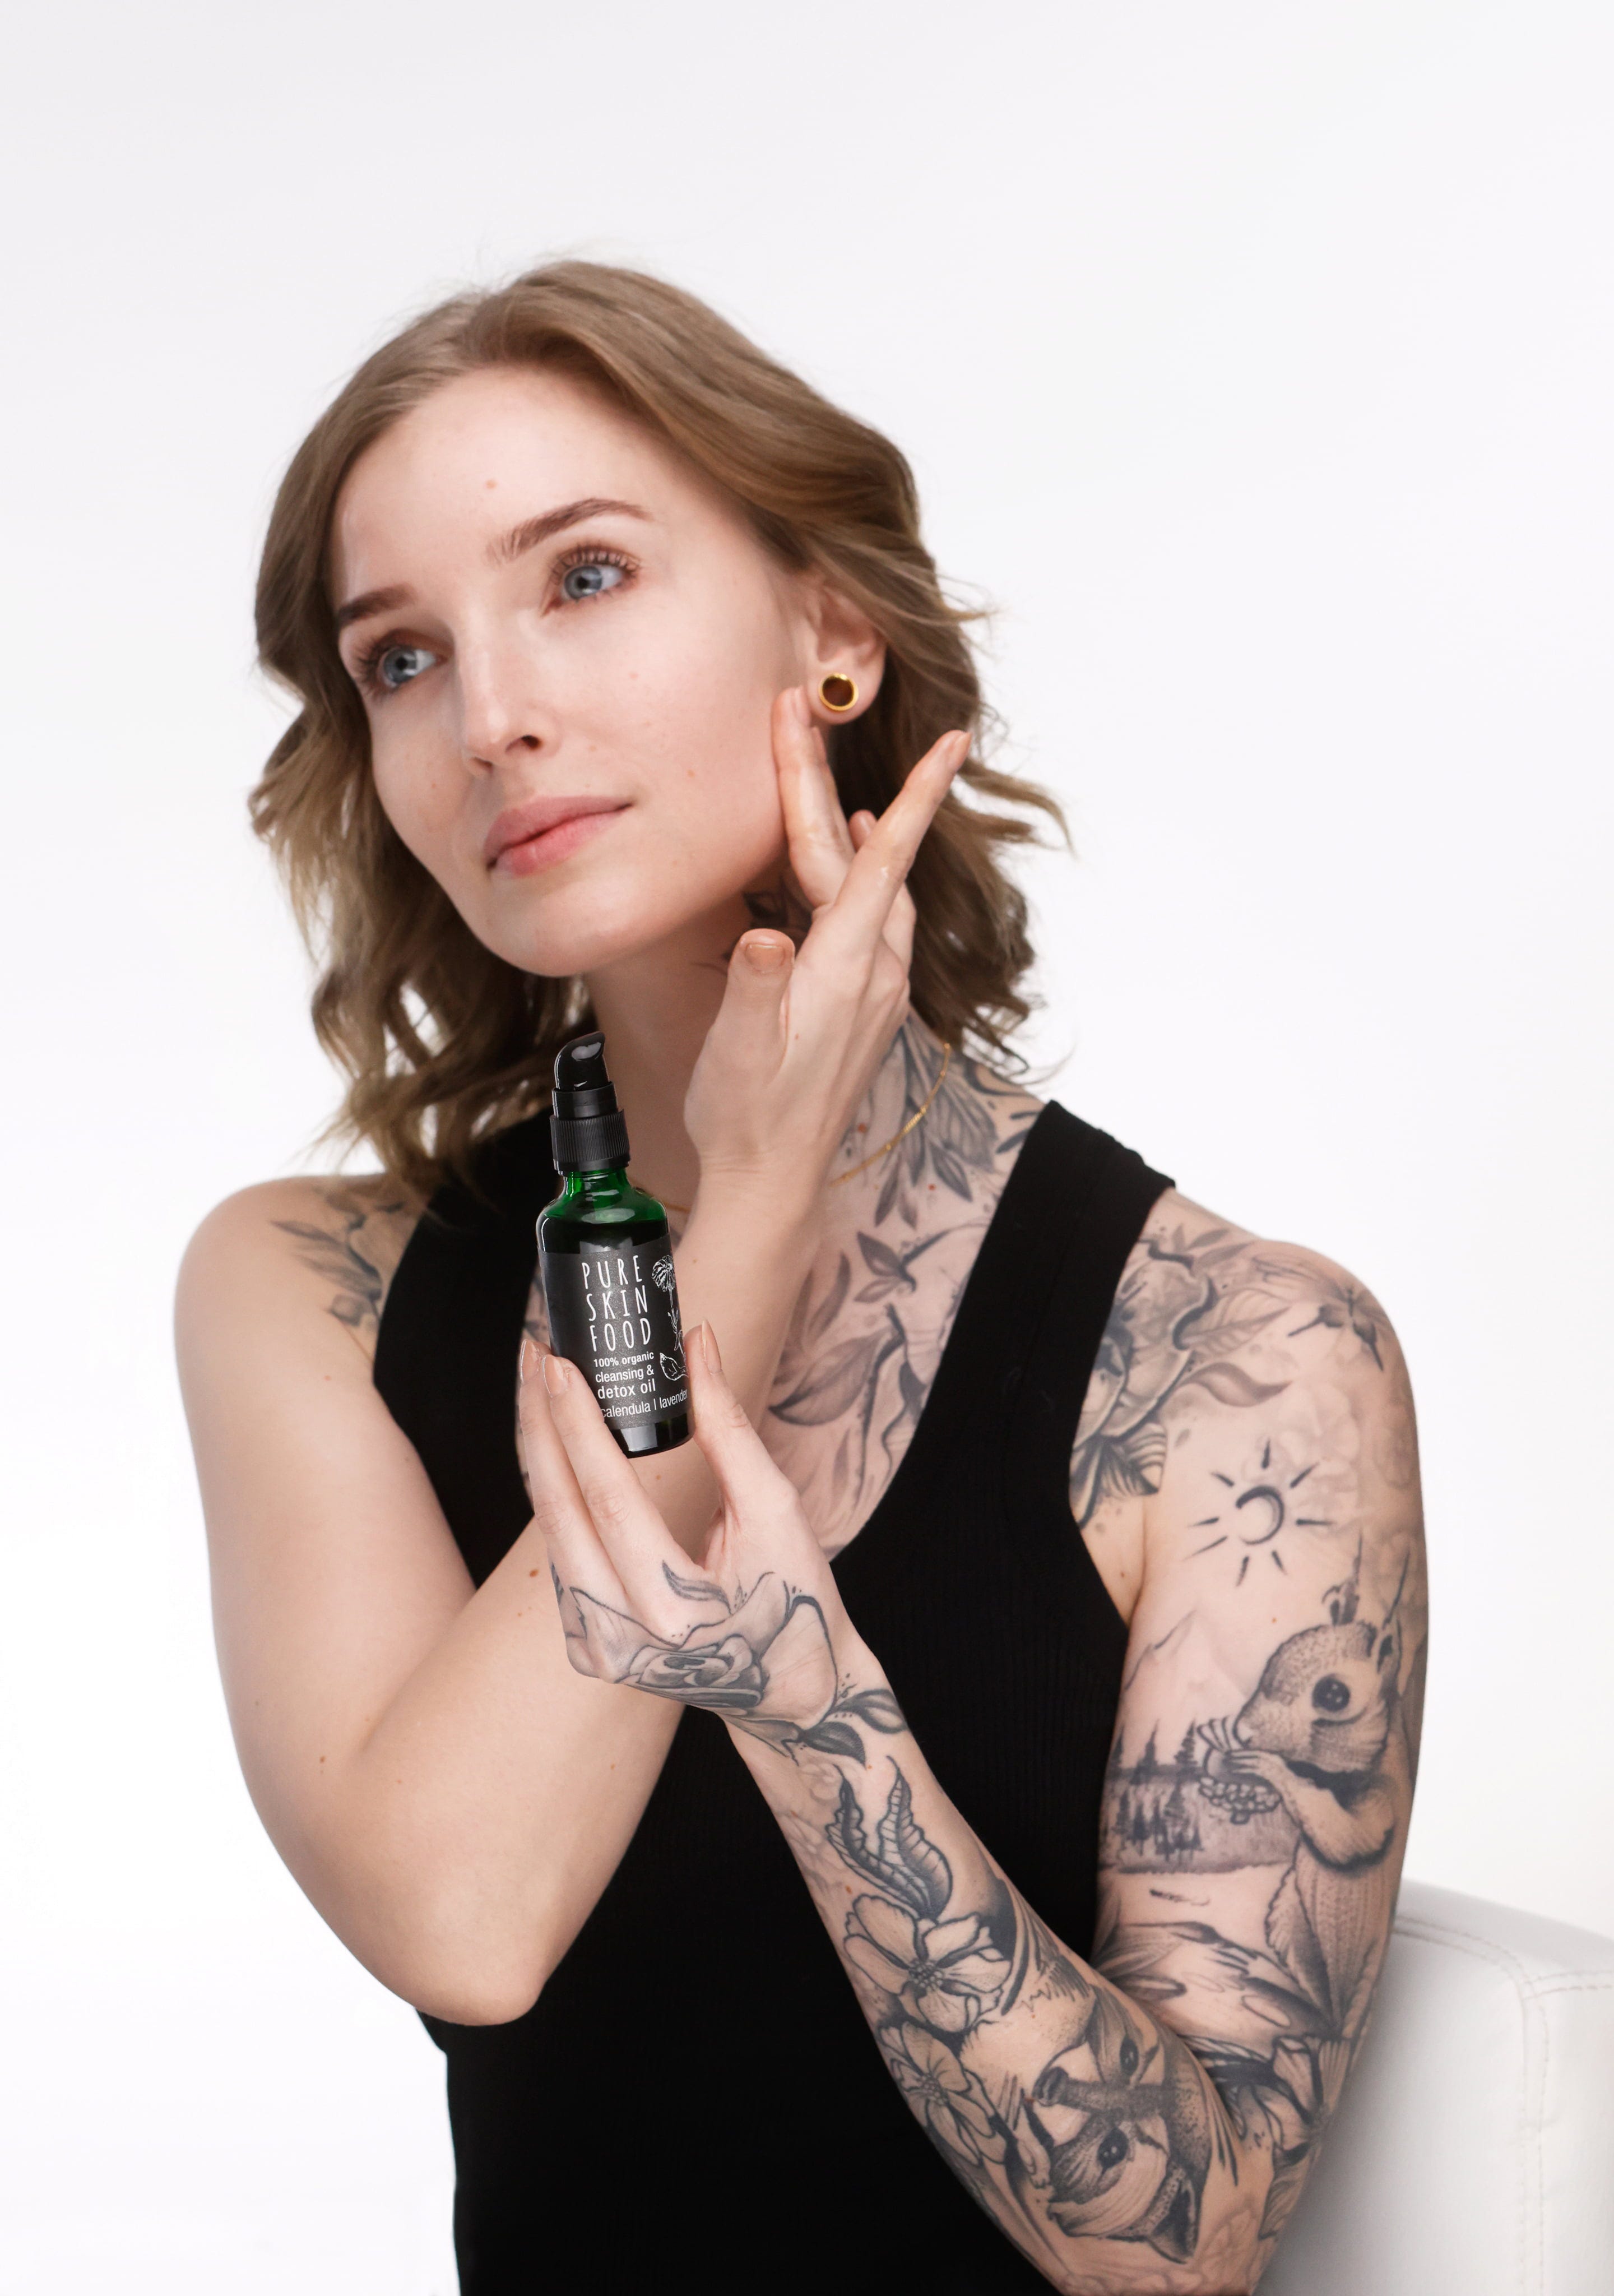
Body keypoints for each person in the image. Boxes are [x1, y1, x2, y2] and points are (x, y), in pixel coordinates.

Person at [176, 262, 1428, 2293]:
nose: (489, 716)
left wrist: (809, 1702)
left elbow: (1179, 2247)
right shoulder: (310, 1293)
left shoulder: (1243, 1359)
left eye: (584, 577)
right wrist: (748, 1214)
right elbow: (465, 1918)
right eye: (400, 657)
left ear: (834, 639)